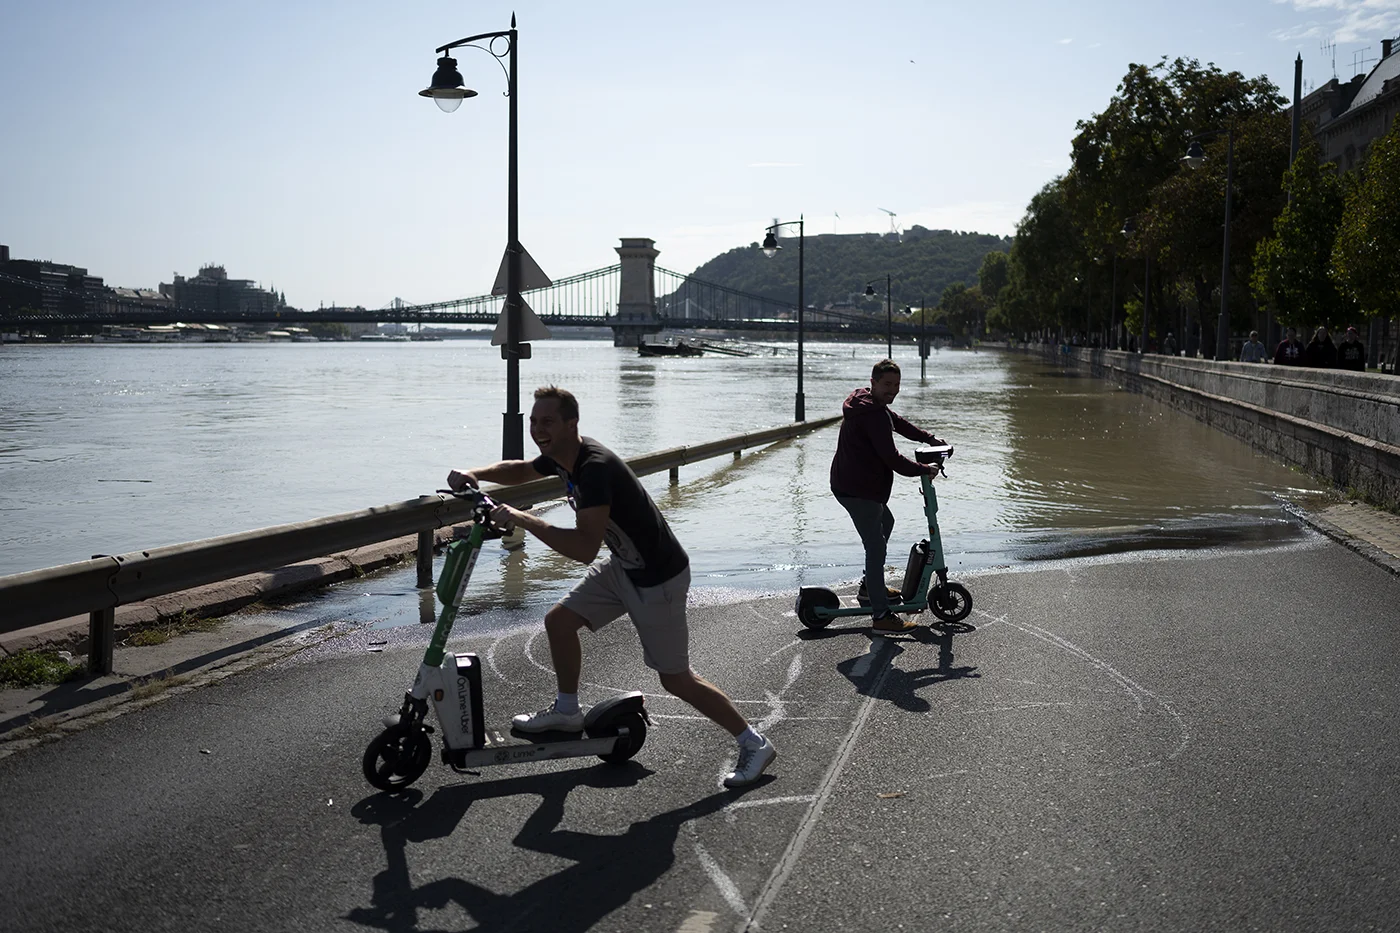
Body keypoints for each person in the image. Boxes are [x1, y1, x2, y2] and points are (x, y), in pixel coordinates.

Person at [446, 386, 776, 788]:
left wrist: (523, 519)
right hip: (625, 566)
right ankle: (568, 712)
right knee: (560, 622)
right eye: (533, 421)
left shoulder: (594, 469)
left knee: (675, 679)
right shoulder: (563, 457)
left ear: (572, 424)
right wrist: (475, 474)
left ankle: (753, 742)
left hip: (659, 578)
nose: (537, 429)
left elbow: (584, 548)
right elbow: (523, 469)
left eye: (547, 422)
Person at [830, 359, 947, 634]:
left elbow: (899, 423)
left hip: (855, 484)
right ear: (873, 383)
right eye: (886, 385)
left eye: (896, 385)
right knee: (876, 547)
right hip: (858, 490)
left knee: (886, 524)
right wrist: (924, 470)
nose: (892, 390)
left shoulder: (870, 404)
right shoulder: (872, 414)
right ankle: (881, 616)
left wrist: (929, 438)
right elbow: (891, 457)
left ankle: (870, 589)